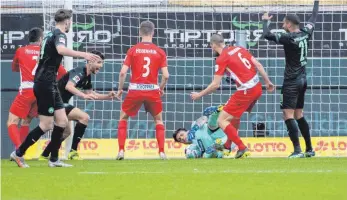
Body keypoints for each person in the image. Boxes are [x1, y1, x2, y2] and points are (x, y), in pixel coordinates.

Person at [10, 9, 101, 168]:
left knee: (62, 121)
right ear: (66, 21)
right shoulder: (59, 34)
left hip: (49, 82)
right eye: (70, 21)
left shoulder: (48, 35)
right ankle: (18, 153)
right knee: (46, 125)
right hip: (44, 83)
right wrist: (84, 55)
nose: (70, 24)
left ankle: (53, 159)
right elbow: (61, 50)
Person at [190, 34, 274, 159]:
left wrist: (199, 95)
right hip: (257, 87)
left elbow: (215, 85)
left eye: (211, 46)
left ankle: (242, 147)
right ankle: (227, 146)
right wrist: (267, 82)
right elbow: (258, 65)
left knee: (221, 120)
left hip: (246, 90)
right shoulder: (239, 49)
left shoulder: (221, 58)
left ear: (213, 45)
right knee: (234, 117)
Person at [261, 1, 319, 158]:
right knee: (299, 114)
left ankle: (297, 150)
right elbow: (313, 18)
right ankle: (309, 149)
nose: (282, 24)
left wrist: (265, 20)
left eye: (284, 22)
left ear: (288, 24)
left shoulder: (289, 37)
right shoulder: (306, 32)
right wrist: (316, 2)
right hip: (303, 80)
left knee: (288, 115)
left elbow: (266, 34)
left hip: (291, 82)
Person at [39, 50, 116, 160]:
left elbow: (91, 94)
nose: (101, 66)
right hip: (54, 102)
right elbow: (69, 86)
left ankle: (45, 154)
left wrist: (108, 96)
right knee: (84, 117)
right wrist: (83, 96)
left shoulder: (87, 77)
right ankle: (73, 152)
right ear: (89, 61)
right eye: (98, 62)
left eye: (102, 63)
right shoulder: (79, 72)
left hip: (59, 103)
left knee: (66, 132)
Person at [115, 20, 169, 160]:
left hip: (135, 90)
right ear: (153, 32)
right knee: (158, 121)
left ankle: (121, 151)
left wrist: (120, 89)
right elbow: (166, 75)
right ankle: (162, 152)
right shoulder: (159, 52)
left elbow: (122, 72)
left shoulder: (133, 50)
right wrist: (161, 88)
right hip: (152, 90)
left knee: (123, 118)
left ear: (139, 32)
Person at [7, 27, 66, 153]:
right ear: (41, 39)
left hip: (27, 90)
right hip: (42, 91)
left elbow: (14, 68)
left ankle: (18, 151)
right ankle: (23, 151)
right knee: (27, 120)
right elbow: (62, 73)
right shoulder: (46, 51)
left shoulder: (21, 51)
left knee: (12, 121)